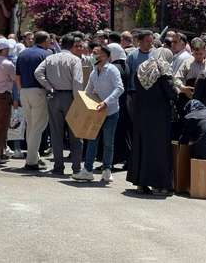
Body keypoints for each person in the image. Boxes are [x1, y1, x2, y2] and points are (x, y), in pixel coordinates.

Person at [127, 48, 177, 195]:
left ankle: (141, 184)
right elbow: (171, 92)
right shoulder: (163, 69)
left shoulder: (141, 68)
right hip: (159, 117)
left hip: (141, 114)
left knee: (142, 147)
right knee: (158, 150)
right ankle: (158, 185)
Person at [35, 33, 84, 175]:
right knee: (75, 133)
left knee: (56, 133)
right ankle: (76, 167)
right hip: (70, 96)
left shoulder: (50, 58)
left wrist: (48, 86)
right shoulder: (75, 60)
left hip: (54, 96)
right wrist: (78, 102)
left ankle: (58, 166)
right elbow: (77, 81)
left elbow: (38, 73)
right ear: (73, 46)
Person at [73, 45, 124, 182]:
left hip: (111, 112)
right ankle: (88, 170)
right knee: (92, 140)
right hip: (96, 112)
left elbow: (120, 88)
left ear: (106, 57)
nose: (94, 56)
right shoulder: (94, 71)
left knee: (108, 142)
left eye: (98, 54)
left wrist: (106, 102)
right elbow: (88, 90)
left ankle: (107, 170)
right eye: (94, 53)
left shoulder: (112, 70)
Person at [16, 31, 51, 170]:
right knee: (37, 127)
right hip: (38, 91)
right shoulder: (47, 54)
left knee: (31, 125)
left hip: (24, 91)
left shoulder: (23, 53)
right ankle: (31, 161)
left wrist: (20, 92)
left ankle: (33, 156)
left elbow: (17, 76)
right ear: (45, 40)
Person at [125, 30, 154, 123]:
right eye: (147, 41)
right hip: (135, 94)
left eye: (151, 41)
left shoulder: (155, 55)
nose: (150, 44)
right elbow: (128, 75)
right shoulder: (132, 56)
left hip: (150, 94)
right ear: (140, 41)